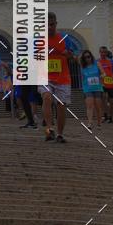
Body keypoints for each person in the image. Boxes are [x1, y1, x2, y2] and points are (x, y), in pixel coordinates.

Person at [39, 12, 74, 143]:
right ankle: (49, 129)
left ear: (56, 24)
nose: (49, 27)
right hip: (44, 76)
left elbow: (72, 56)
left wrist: (65, 53)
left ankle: (60, 134)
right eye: (46, 25)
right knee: (47, 97)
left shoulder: (65, 38)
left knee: (61, 105)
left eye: (52, 24)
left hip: (62, 78)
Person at [80, 49, 104, 130]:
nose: (87, 59)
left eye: (88, 57)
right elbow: (82, 78)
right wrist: (83, 88)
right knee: (89, 106)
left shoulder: (97, 64)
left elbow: (103, 73)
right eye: (85, 57)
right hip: (88, 89)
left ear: (91, 57)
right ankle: (90, 123)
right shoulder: (83, 68)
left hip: (97, 88)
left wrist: (101, 77)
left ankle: (99, 123)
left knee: (98, 107)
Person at [98, 47, 113, 123]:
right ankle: (104, 115)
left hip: (111, 84)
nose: (103, 54)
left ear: (107, 53)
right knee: (103, 97)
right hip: (102, 83)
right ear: (99, 52)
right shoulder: (97, 62)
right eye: (101, 52)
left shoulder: (112, 62)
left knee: (112, 101)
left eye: (104, 52)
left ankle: (110, 116)